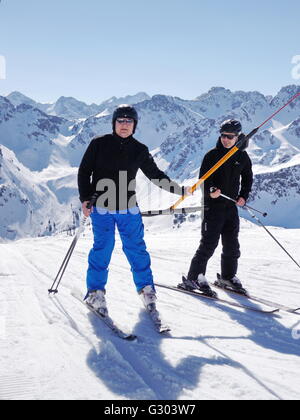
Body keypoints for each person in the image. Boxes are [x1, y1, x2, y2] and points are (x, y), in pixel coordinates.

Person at [78, 104, 190, 316]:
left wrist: (178, 190)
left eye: (129, 121)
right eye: (120, 120)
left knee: (136, 249)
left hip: (128, 209)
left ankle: (146, 289)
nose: (124, 125)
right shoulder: (98, 144)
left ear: (135, 125)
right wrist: (85, 198)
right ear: (114, 123)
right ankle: (95, 292)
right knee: (102, 249)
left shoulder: (139, 150)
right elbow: (84, 172)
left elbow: (155, 175)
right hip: (102, 208)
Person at [181, 119, 253, 295]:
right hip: (212, 207)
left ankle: (227, 277)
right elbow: (204, 180)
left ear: (237, 137)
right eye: (223, 136)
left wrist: (243, 196)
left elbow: (248, 178)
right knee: (208, 244)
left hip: (230, 208)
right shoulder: (212, 155)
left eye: (230, 136)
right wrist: (210, 191)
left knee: (232, 245)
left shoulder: (242, 157)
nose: (225, 139)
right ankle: (194, 277)